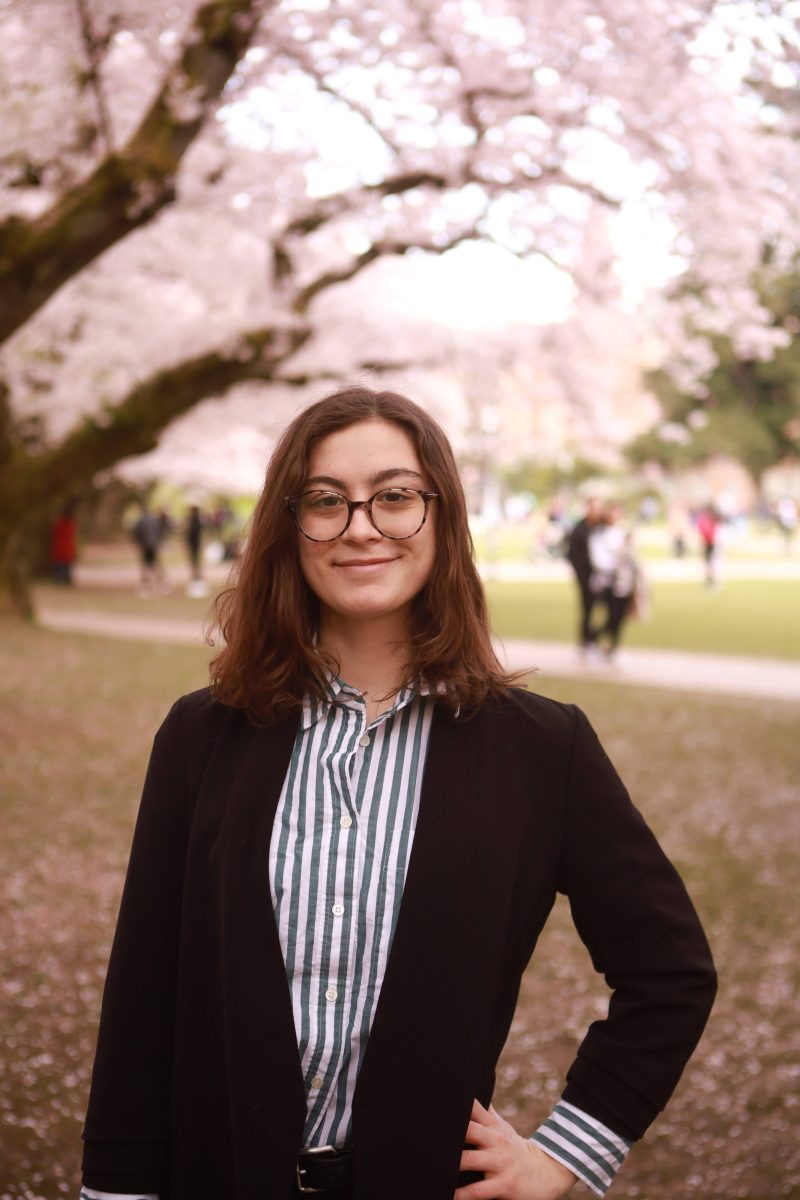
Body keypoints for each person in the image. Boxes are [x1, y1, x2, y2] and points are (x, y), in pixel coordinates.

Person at [80, 387, 716, 1200]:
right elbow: (142, 995)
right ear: (288, 527)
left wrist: (563, 1154)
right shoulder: (202, 735)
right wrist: (115, 1189)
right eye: (325, 501)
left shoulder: (541, 748)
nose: (360, 527)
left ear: (442, 516)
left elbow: (670, 971)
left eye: (395, 496)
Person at [587, 504, 645, 663]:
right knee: (610, 616)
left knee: (620, 617)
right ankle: (592, 642)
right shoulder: (599, 535)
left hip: (624, 582)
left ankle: (613, 648)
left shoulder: (620, 533)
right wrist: (616, 562)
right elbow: (599, 560)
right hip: (608, 582)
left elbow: (630, 556)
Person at [563, 497, 605, 657]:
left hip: (602, 577)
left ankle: (593, 639)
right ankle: (586, 642)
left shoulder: (601, 527)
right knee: (588, 608)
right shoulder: (580, 529)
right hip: (586, 577)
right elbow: (572, 555)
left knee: (610, 608)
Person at [131, 503, 168, 595]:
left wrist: (137, 542)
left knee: (145, 565)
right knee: (156, 564)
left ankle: (146, 585)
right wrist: (159, 542)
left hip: (145, 545)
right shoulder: (154, 520)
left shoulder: (140, 521)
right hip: (154, 545)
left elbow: (136, 532)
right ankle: (161, 583)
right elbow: (160, 531)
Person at [49, 500, 78, 584]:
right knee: (66, 566)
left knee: (59, 565)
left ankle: (59, 579)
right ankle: (65, 579)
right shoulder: (71, 524)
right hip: (68, 547)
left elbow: (53, 532)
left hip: (59, 546)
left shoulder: (59, 523)